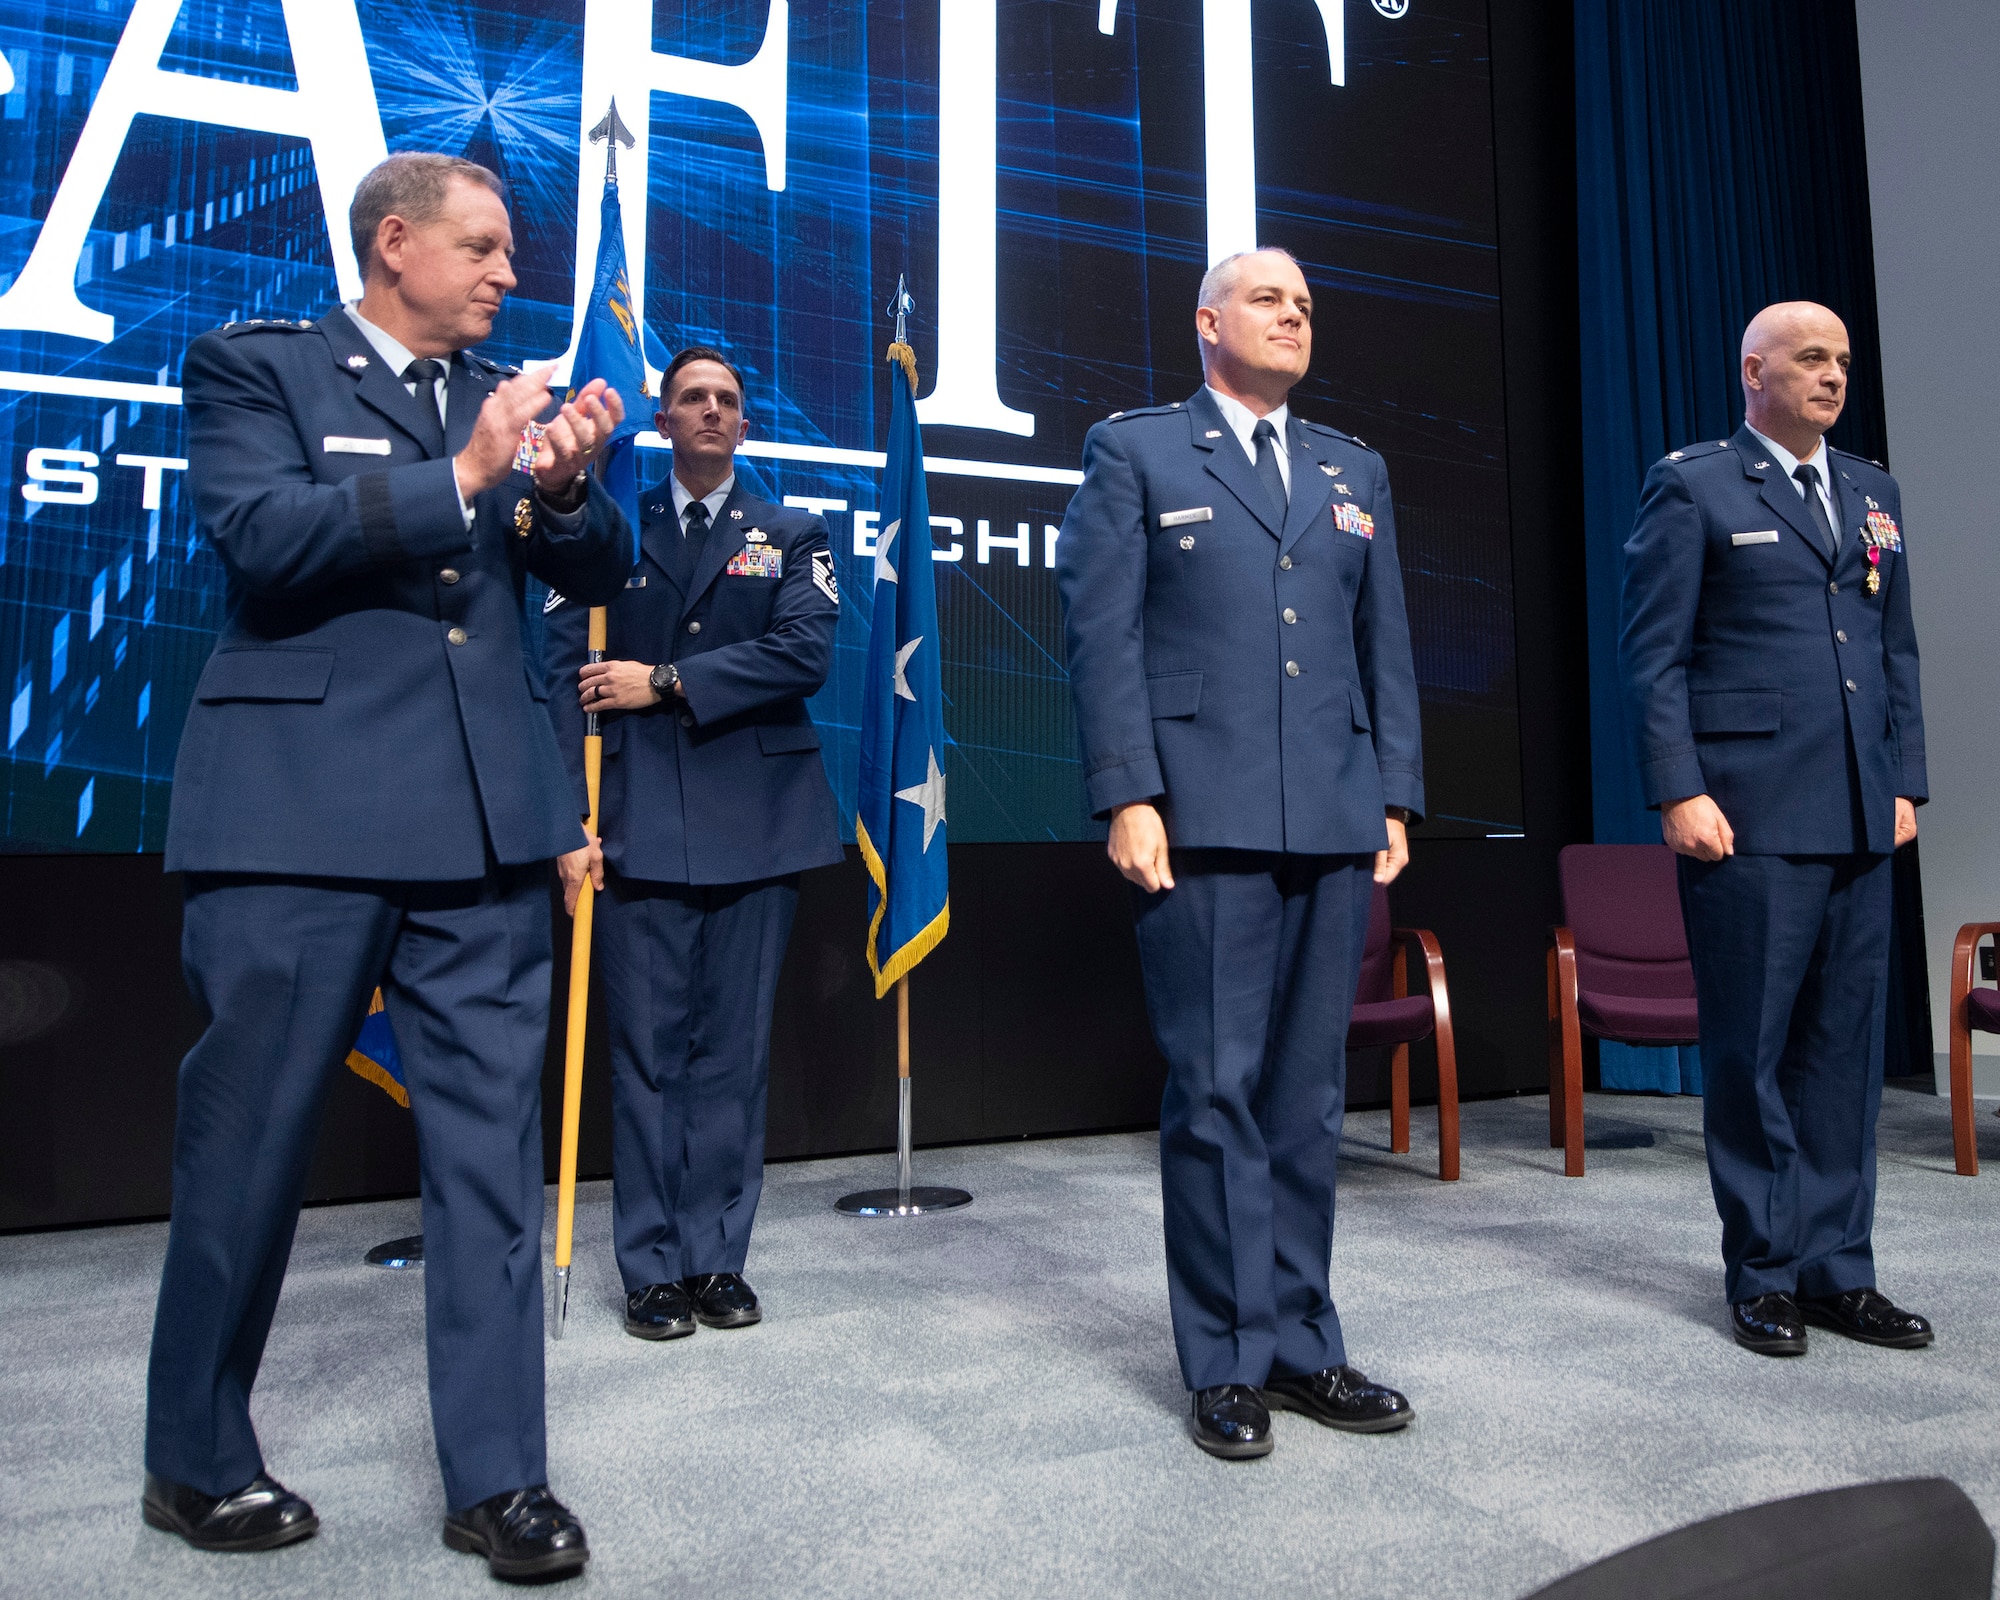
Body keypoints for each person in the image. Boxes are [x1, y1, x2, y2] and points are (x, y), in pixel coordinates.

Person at [144, 152, 633, 1584]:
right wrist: (466, 476)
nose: (503, 273)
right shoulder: (260, 369)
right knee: (246, 1152)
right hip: (297, 822)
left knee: (492, 1166)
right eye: (479, 248)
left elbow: (583, 575)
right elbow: (259, 541)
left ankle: (501, 1482)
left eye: (509, 252)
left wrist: (559, 488)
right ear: (393, 243)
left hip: (484, 832)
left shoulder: (497, 406)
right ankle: (197, 1459)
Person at [1055, 248, 1425, 1459]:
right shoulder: (1139, 449)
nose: (1293, 316)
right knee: (1214, 1090)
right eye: (1270, 299)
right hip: (1196, 814)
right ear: (1206, 320)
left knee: (1308, 1098)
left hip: (1330, 812)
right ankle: (1222, 1360)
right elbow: (1100, 636)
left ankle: (1303, 1344)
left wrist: (1392, 797)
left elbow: (1387, 650)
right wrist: (1127, 792)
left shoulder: (1349, 467)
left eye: (1306, 304)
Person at [1619, 301, 1931, 1359]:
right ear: (1752, 370)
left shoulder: (1871, 491)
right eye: (1809, 358)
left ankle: (1837, 1269)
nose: (1832, 375)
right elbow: (1652, 656)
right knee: (1751, 1051)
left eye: (1840, 360)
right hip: (1742, 813)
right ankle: (1761, 1271)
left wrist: (1904, 782)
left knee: (1842, 1056)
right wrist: (1675, 791)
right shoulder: (1695, 483)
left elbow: (1894, 654)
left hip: (1855, 809)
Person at [545, 346, 842, 1344]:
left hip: (757, 832)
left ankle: (717, 1258)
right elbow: (554, 679)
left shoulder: (790, 533)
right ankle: (651, 1267)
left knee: (730, 1057)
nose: (710, 411)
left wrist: (664, 680)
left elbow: (804, 654)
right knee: (645, 1060)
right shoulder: (603, 536)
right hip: (633, 829)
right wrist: (562, 825)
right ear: (661, 421)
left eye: (726, 399)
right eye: (690, 399)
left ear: (743, 424)